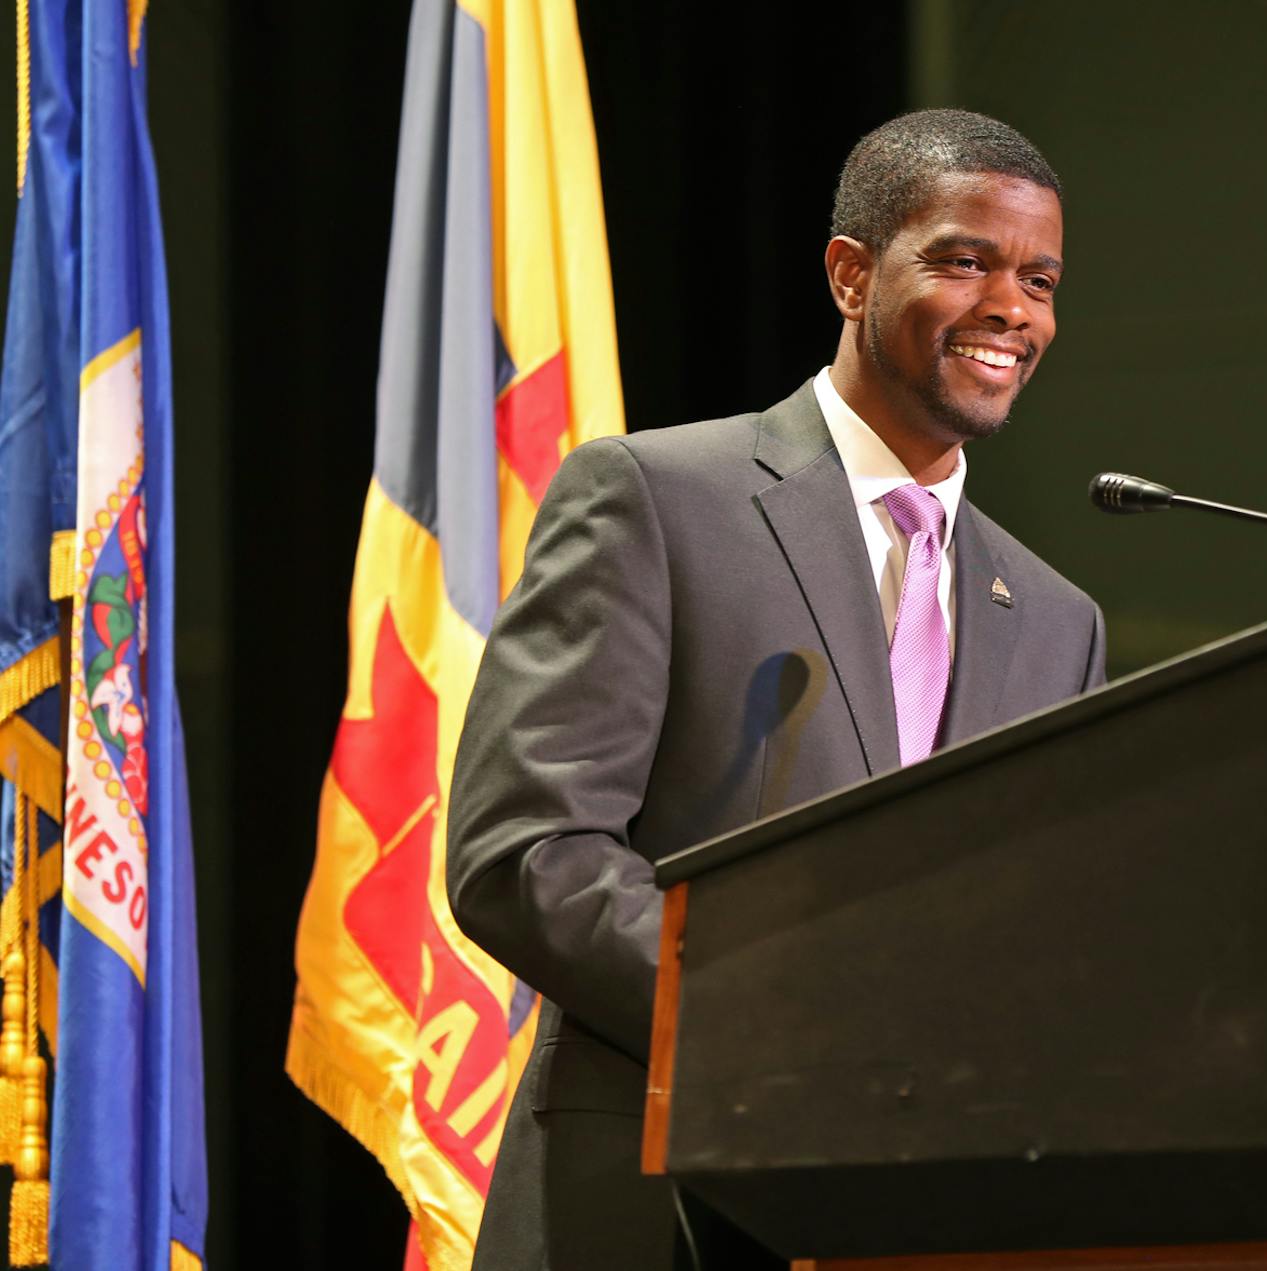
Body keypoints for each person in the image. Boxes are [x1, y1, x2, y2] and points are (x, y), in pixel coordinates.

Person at [445, 109, 1106, 1270]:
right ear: (852, 273)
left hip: (939, 1226)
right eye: (964, 260)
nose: (1013, 307)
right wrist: (787, 1023)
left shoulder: (1056, 619)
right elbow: (526, 850)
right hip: (656, 1207)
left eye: (1039, 279)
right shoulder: (656, 498)